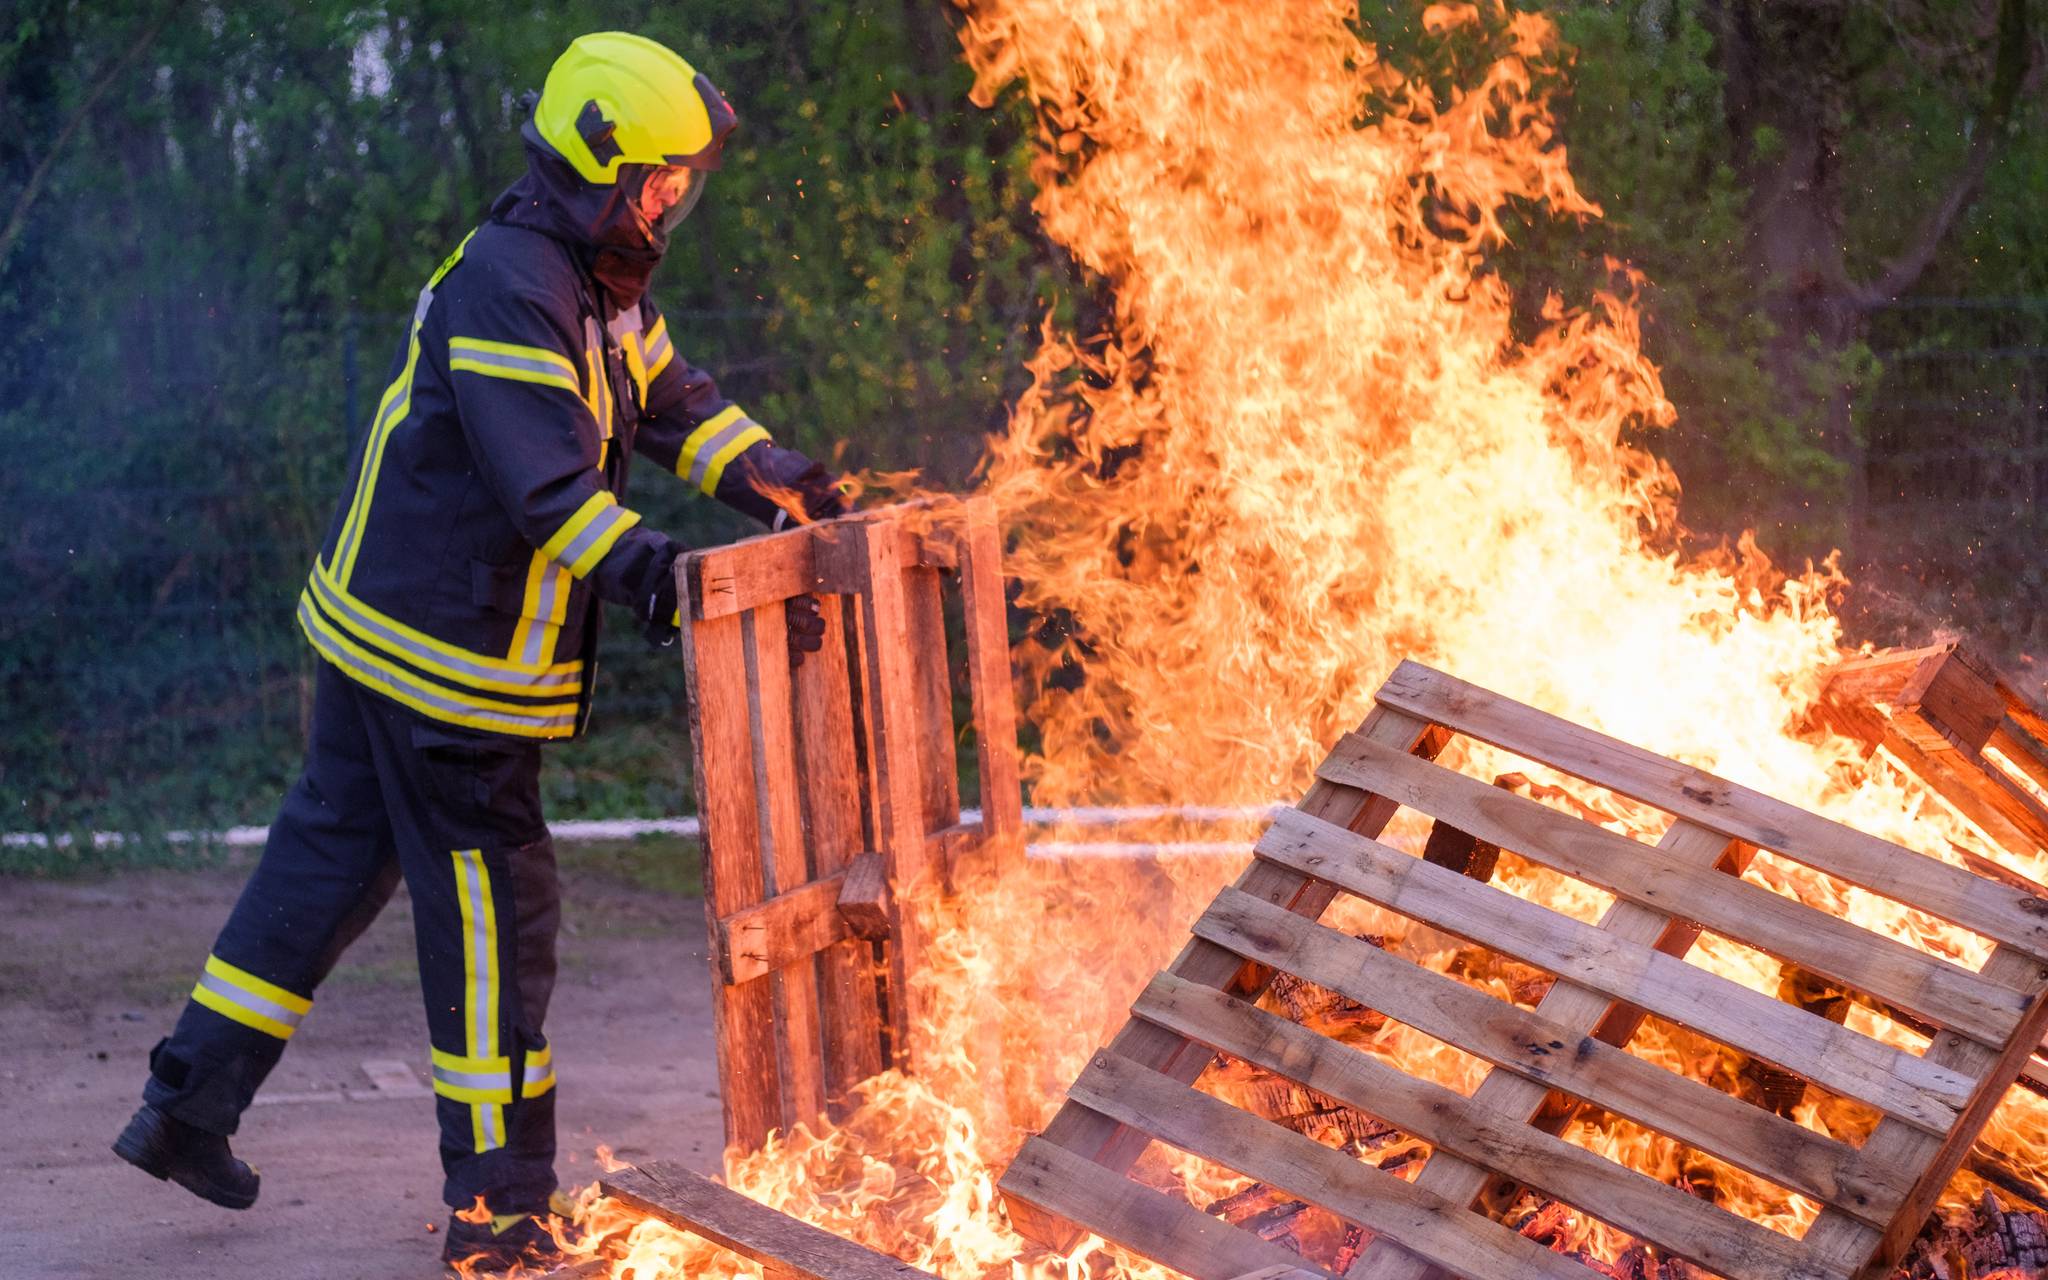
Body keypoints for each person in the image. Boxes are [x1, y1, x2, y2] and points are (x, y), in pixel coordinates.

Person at [111, 31, 844, 1273]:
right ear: (596, 164)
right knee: (497, 922)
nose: (671, 201)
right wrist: (668, 580)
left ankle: (185, 1108)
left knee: (318, 878)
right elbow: (548, 494)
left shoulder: (581, 278)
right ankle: (498, 1212)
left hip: (384, 641)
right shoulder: (513, 287)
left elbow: (670, 403)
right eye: (659, 179)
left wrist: (773, 474)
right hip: (445, 671)